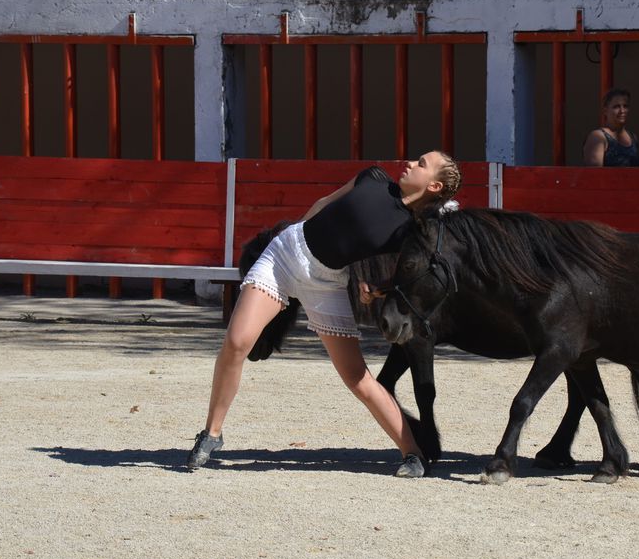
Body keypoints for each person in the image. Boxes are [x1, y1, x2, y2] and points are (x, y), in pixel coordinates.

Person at [186, 151, 462, 477]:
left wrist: (376, 289)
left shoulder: (408, 230)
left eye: (421, 164)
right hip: (284, 255)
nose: (411, 163)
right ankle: (211, 434)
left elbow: (405, 272)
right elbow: (324, 201)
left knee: (358, 379)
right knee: (237, 341)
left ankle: (413, 454)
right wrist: (299, 232)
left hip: (327, 283)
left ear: (433, 185)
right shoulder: (372, 177)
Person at [582, 88, 639, 167]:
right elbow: (594, 175)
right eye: (616, 107)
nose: (622, 110)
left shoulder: (633, 137)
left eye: (625, 106)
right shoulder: (597, 137)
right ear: (605, 111)